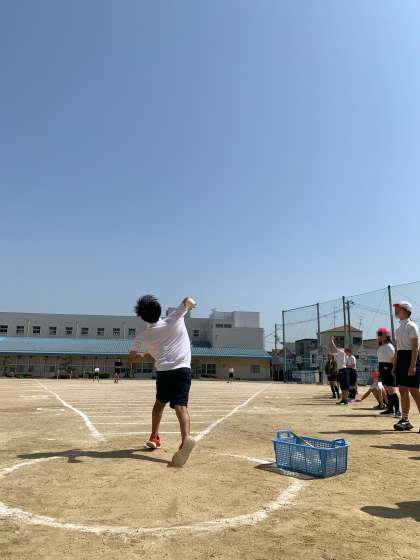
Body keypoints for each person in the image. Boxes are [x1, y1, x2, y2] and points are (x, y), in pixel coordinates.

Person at [129, 295, 197, 466]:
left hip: (164, 373)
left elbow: (131, 358)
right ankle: (185, 440)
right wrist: (191, 303)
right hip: (183, 370)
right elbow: (187, 300)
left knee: (159, 405)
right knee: (181, 407)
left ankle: (154, 436)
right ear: (159, 310)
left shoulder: (143, 335)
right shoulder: (174, 318)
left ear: (142, 316)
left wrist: (142, 355)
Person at [392, 301, 420, 431]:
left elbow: (415, 347)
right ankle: (405, 419)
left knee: (414, 391)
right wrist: (394, 365)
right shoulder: (398, 329)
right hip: (401, 360)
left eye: (399, 308)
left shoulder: (411, 326)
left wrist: (413, 365)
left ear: (406, 311)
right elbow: (398, 349)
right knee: (402, 390)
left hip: (411, 358)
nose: (396, 311)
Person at [376, 327, 400, 417]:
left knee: (391, 389)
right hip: (382, 367)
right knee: (387, 389)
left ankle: (397, 410)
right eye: (378, 334)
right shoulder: (381, 346)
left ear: (386, 336)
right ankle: (390, 409)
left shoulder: (389, 346)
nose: (378, 336)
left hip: (388, 367)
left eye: (380, 334)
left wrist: (393, 368)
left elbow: (394, 359)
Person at [331, 337, 349, 405]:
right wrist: (331, 353)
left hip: (343, 370)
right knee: (343, 386)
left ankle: (345, 400)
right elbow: (334, 353)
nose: (338, 346)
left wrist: (332, 340)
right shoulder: (342, 352)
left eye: (339, 345)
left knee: (344, 387)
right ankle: (343, 400)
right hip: (342, 370)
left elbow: (334, 347)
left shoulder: (341, 351)